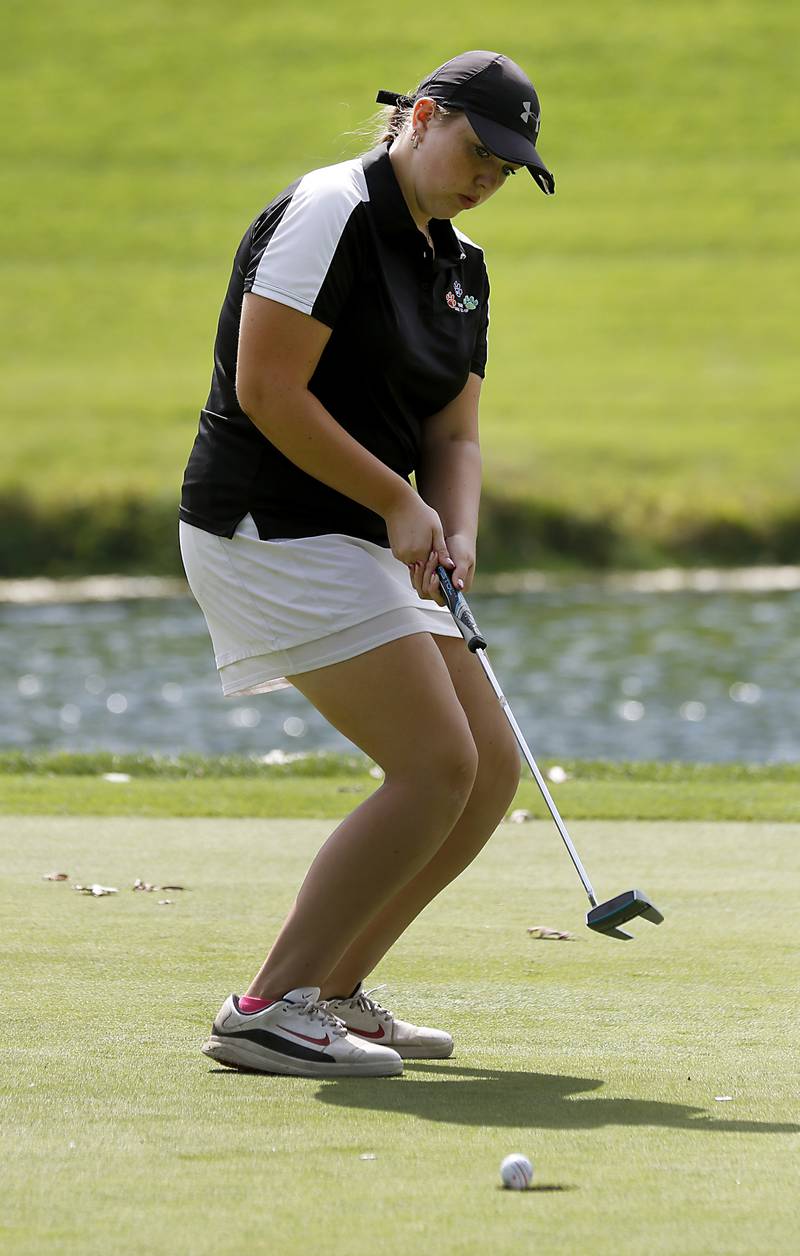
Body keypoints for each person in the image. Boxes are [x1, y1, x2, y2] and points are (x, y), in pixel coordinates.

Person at [179, 50, 555, 1078]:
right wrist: (397, 501)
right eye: (477, 151)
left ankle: (333, 987)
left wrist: (454, 524)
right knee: (434, 763)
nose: (487, 176)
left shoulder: (460, 264)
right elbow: (268, 388)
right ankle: (263, 1004)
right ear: (420, 118)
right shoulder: (328, 210)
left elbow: (455, 434)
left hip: (361, 533)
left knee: (484, 774)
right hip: (268, 524)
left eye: (507, 167)